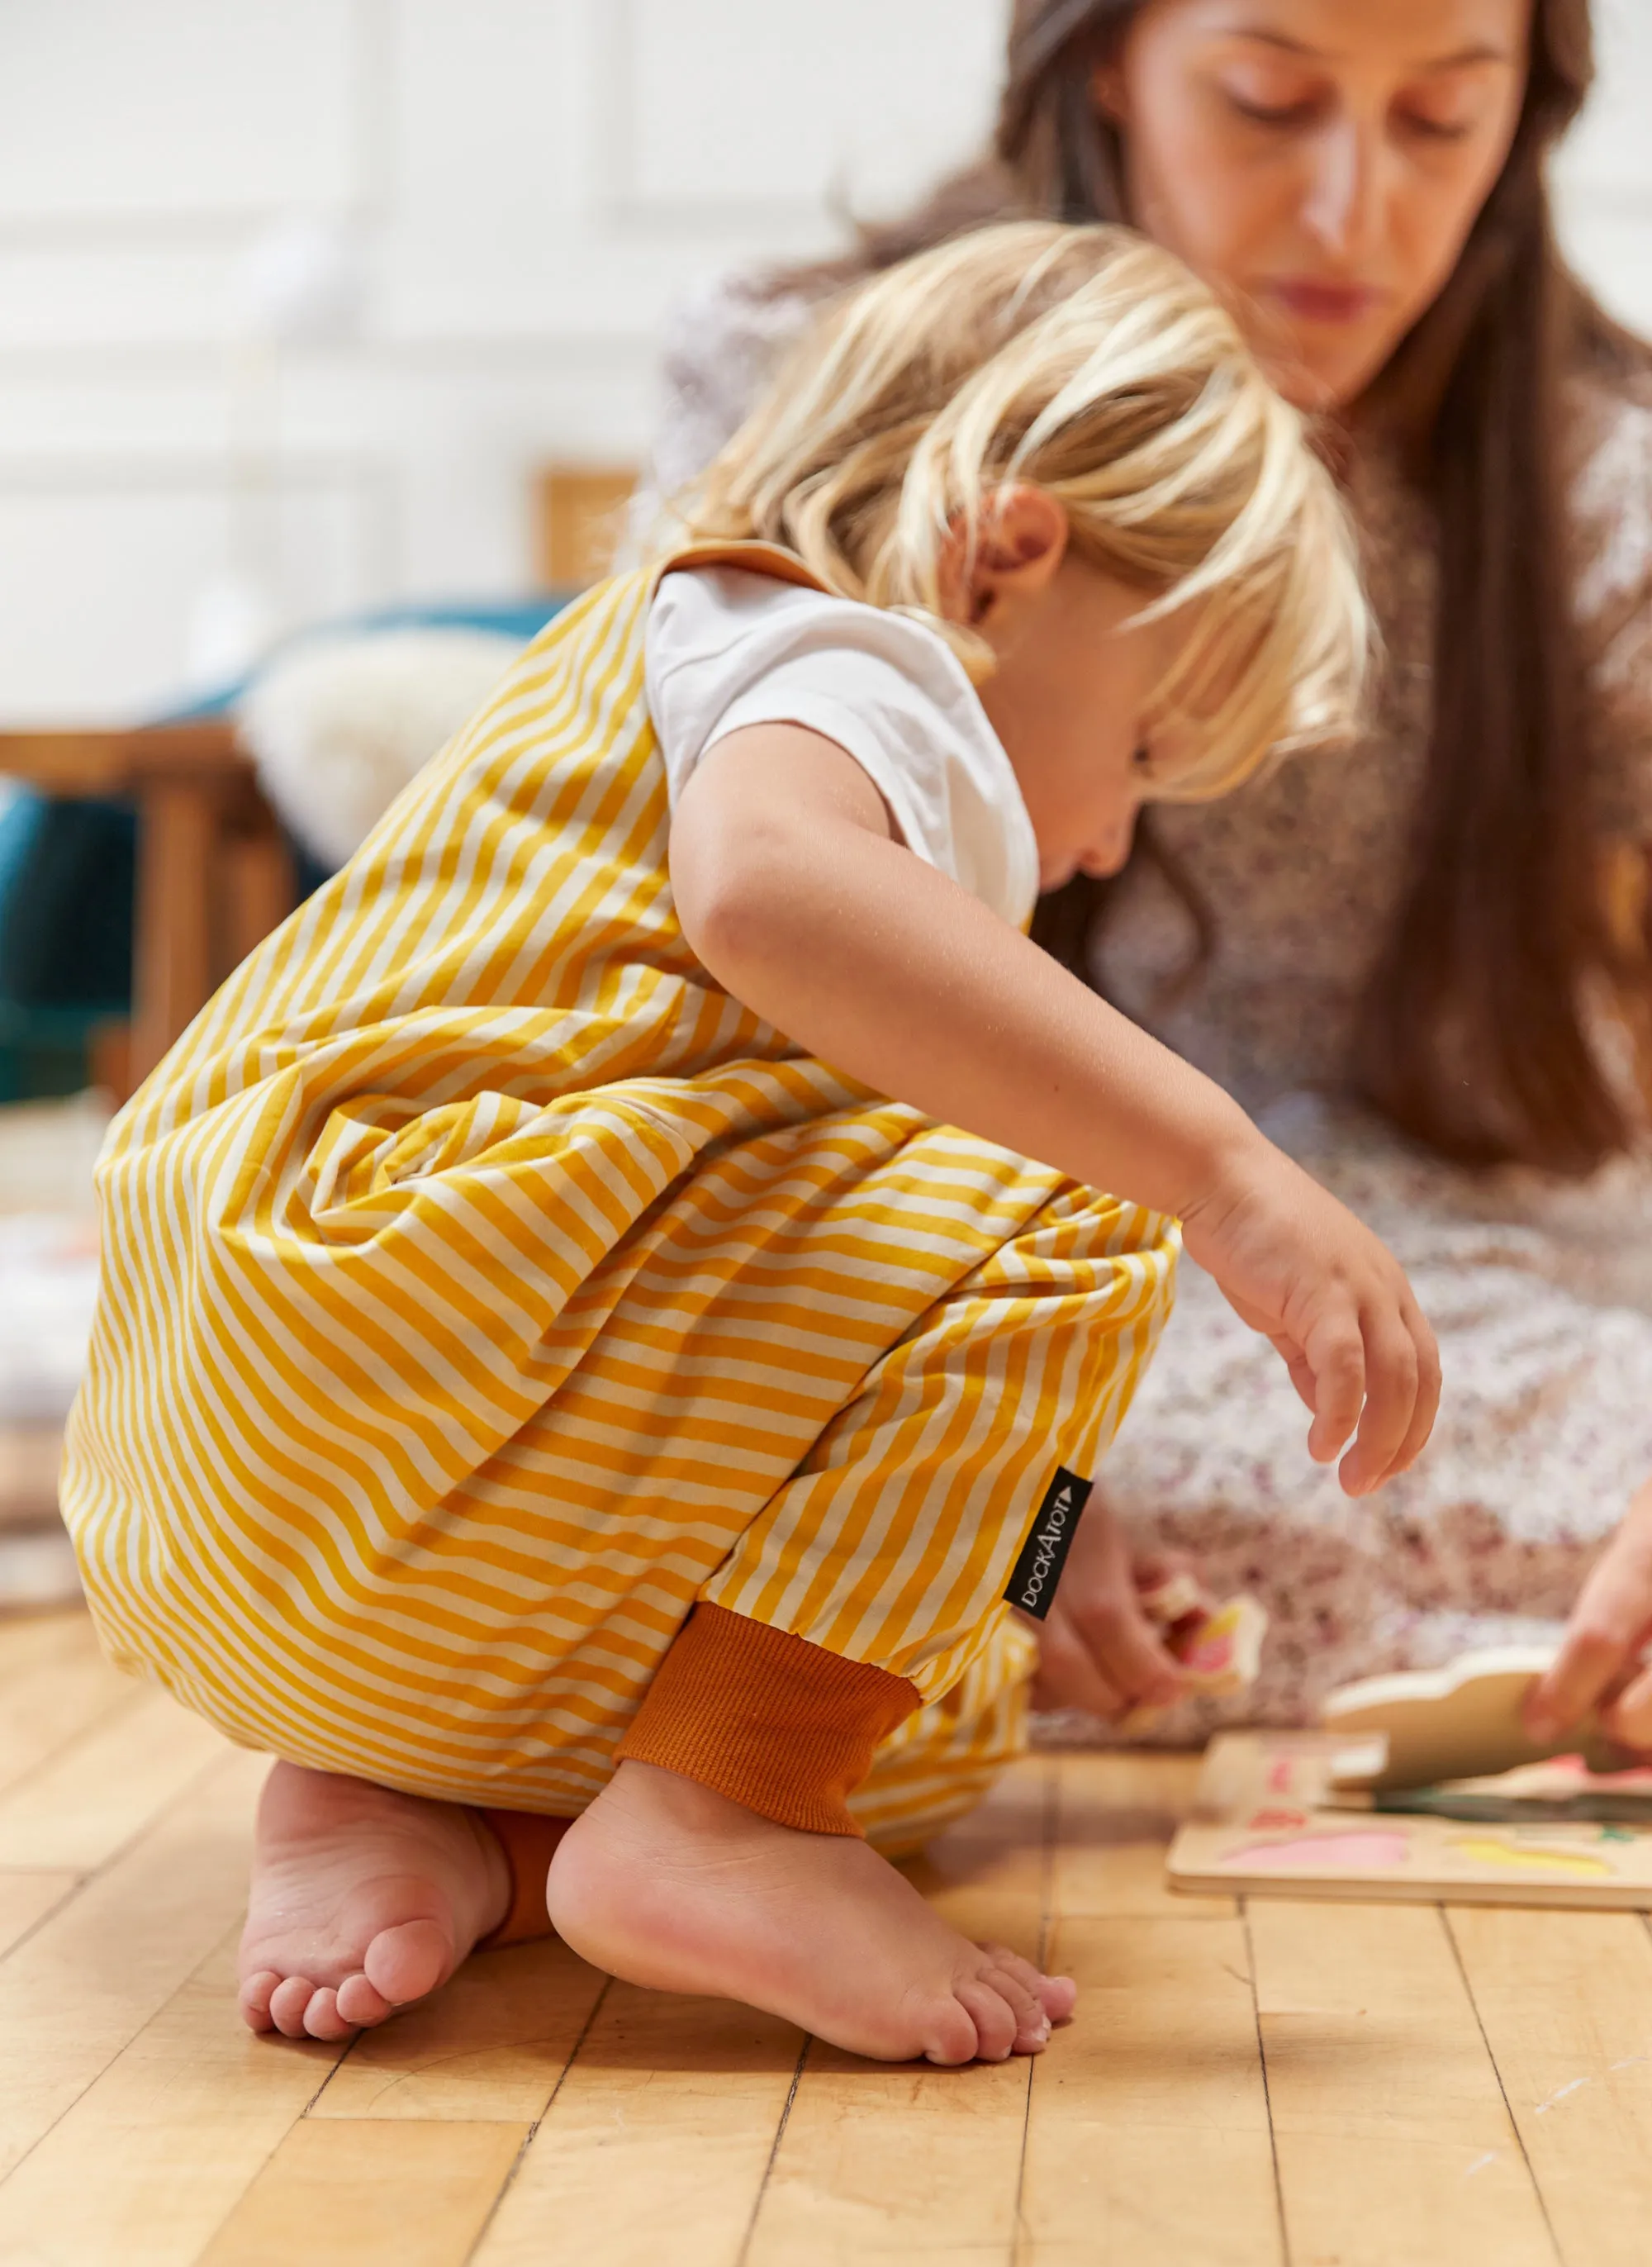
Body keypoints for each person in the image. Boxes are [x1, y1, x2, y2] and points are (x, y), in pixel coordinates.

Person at [62, 223, 1431, 2064]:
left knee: (937, 1709)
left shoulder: (666, 678)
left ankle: (402, 1792)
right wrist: (1225, 1169)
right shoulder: (835, 651)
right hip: (389, 1311)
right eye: (1149, 745)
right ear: (1008, 550)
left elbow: (834, 1271)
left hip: (251, 1473)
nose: (1108, 844)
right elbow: (774, 889)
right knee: (1093, 1198)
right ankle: (710, 1820)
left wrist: (1036, 1537)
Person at [640, 0, 1652, 1742]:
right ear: (1102, 59)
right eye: (1268, 103)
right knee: (827, 1451)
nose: (1354, 215)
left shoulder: (1597, 472)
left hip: (1488, 1263)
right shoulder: (835, 385)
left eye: (1438, 123)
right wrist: (988, 1408)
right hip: (954, 1242)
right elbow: (742, 941)